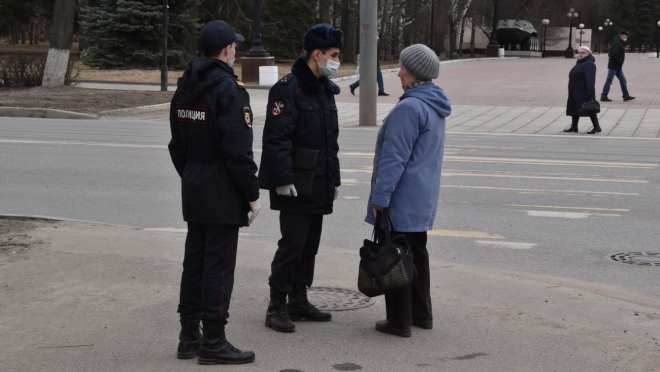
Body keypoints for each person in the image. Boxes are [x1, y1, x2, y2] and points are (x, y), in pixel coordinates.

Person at [168, 20, 261, 365]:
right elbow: (238, 151)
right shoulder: (230, 90)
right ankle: (214, 342)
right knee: (219, 267)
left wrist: (194, 174)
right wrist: (251, 194)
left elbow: (177, 146)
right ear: (226, 50)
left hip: (194, 188)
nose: (236, 49)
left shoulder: (185, 88)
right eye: (234, 45)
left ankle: (188, 336)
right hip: (222, 191)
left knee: (194, 263)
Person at [259, 23, 343, 333]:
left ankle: (299, 297)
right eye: (334, 55)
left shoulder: (323, 90)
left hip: (318, 181)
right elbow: (276, 138)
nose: (337, 61)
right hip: (295, 184)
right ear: (317, 54)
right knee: (291, 246)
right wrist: (282, 178)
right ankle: (276, 305)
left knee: (309, 246)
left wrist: (334, 180)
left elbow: (329, 141)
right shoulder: (288, 88)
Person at [365, 44, 451, 338]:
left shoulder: (409, 107)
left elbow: (394, 158)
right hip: (422, 197)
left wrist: (380, 197)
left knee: (395, 256)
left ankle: (399, 320)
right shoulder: (433, 105)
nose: (398, 72)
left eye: (402, 67)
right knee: (417, 254)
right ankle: (421, 313)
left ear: (414, 73)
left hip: (401, 197)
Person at [564, 46, 601, 134]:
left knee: (589, 107)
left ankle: (597, 127)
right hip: (575, 89)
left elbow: (590, 78)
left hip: (584, 90)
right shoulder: (580, 63)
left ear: (588, 54)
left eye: (583, 53)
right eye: (579, 52)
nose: (580, 54)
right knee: (575, 106)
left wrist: (589, 90)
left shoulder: (589, 64)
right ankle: (574, 126)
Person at [600, 30, 635, 102]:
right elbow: (613, 54)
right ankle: (603, 96)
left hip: (618, 67)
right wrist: (619, 61)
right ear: (622, 35)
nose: (627, 37)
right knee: (609, 81)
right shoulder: (617, 43)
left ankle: (626, 95)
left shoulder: (619, 43)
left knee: (623, 81)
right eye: (626, 36)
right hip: (614, 66)